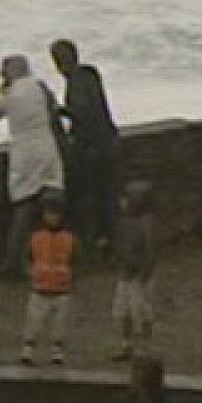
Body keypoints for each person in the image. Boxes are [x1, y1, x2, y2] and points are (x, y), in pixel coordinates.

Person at [0, 54, 65, 279]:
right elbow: (53, 107)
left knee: (24, 207)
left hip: (23, 153)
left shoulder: (10, 93)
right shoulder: (39, 86)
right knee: (53, 203)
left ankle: (15, 261)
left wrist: (2, 90)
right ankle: (55, 256)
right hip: (46, 146)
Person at [51, 38, 121, 255]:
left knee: (91, 198)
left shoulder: (75, 82)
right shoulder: (90, 74)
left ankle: (97, 245)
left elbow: (83, 112)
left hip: (93, 148)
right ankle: (111, 242)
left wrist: (59, 111)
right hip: (108, 142)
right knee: (108, 196)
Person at [20, 188, 77, 366]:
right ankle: (28, 348)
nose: (52, 218)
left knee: (59, 324)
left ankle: (57, 349)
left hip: (62, 288)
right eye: (49, 213)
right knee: (34, 321)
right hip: (39, 287)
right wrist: (30, 272)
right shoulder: (36, 237)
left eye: (56, 214)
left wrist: (72, 276)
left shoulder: (69, 238)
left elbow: (75, 260)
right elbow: (27, 256)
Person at [112, 180, 156, 361]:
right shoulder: (124, 223)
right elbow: (120, 246)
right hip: (125, 274)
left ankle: (144, 346)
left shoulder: (146, 224)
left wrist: (144, 271)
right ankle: (126, 344)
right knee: (122, 311)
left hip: (139, 276)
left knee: (142, 310)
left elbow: (150, 250)